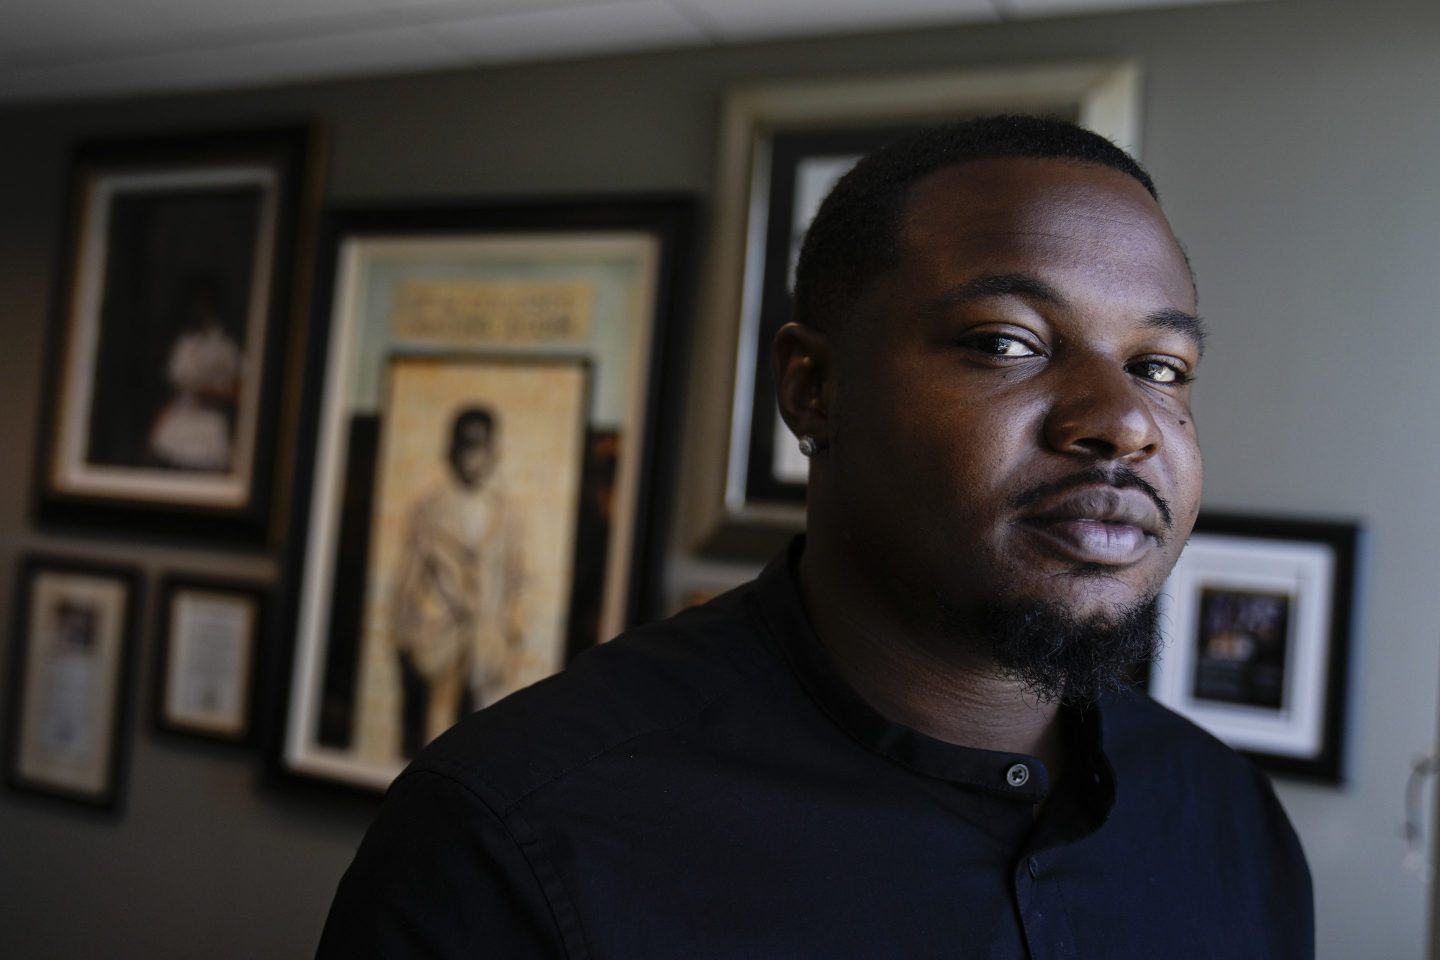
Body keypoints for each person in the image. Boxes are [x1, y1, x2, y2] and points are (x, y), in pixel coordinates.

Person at [318, 115, 1312, 958]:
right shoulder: (510, 838)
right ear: (813, 388)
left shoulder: (1231, 825)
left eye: (1163, 365)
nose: (1124, 420)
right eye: (1006, 342)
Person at [390, 406, 526, 758]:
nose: (470, 457)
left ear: (492, 451)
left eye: (478, 447)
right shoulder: (430, 507)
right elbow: (409, 574)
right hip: (437, 634)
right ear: (451, 449)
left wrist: (512, 631)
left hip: (485, 638)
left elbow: (517, 577)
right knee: (423, 730)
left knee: (475, 734)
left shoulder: (505, 513)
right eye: (463, 447)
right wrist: (405, 635)